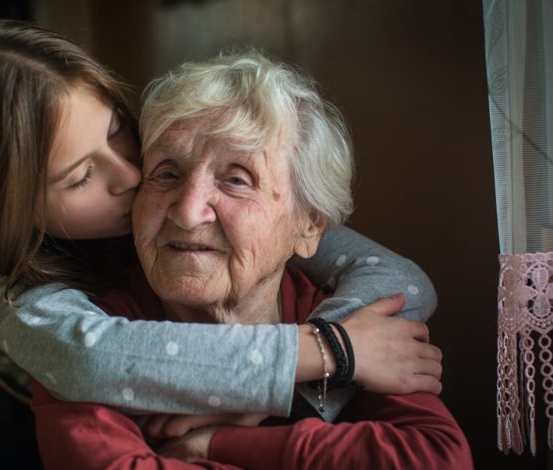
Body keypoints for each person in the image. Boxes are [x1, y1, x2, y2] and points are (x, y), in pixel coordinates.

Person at [0, 18, 441, 457]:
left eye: (118, 133)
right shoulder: (15, 294)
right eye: (81, 176)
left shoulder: (278, 230)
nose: (133, 177)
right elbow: (90, 362)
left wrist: (297, 396)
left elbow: (403, 283)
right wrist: (330, 352)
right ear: (5, 214)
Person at [28, 49, 472, 468]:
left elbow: (438, 458)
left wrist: (221, 443)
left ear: (310, 225)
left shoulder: (351, 318)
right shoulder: (88, 339)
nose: (186, 211)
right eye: (166, 173)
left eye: (237, 180)